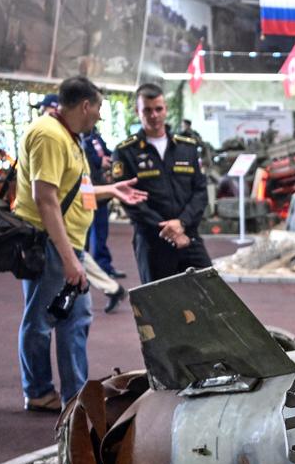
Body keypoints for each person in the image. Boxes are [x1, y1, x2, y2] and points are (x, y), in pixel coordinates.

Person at [12, 76, 146, 412]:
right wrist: (69, 259)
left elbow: (74, 189)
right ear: (85, 105)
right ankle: (40, 391)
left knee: (74, 319)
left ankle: (75, 395)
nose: (99, 115)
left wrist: (111, 190)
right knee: (42, 321)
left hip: (65, 246)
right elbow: (45, 199)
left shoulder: (67, 136)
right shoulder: (49, 135)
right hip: (52, 247)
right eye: (98, 107)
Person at [113, 82, 211, 286]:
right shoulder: (126, 152)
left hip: (188, 237)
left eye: (158, 109)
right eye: (147, 110)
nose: (154, 115)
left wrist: (181, 224)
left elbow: (200, 192)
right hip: (153, 243)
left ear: (165, 109)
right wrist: (167, 229)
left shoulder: (187, 148)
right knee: (160, 309)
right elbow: (130, 201)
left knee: (210, 297)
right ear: (137, 111)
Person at [80, 124, 128, 313]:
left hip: (91, 193)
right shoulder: (78, 139)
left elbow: (97, 163)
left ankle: (109, 281)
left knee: (82, 247)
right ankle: (111, 287)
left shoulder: (91, 139)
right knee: (77, 251)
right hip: (87, 193)